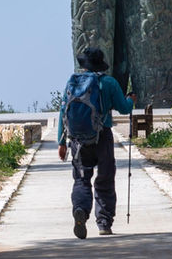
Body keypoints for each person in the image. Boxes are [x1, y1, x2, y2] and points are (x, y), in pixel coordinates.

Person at [58, 47, 137, 239]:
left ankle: (80, 211)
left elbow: (62, 112)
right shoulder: (109, 82)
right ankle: (103, 223)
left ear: (84, 64)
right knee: (105, 179)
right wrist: (130, 99)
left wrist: (61, 142)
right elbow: (124, 108)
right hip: (103, 136)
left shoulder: (73, 82)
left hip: (77, 140)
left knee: (81, 179)